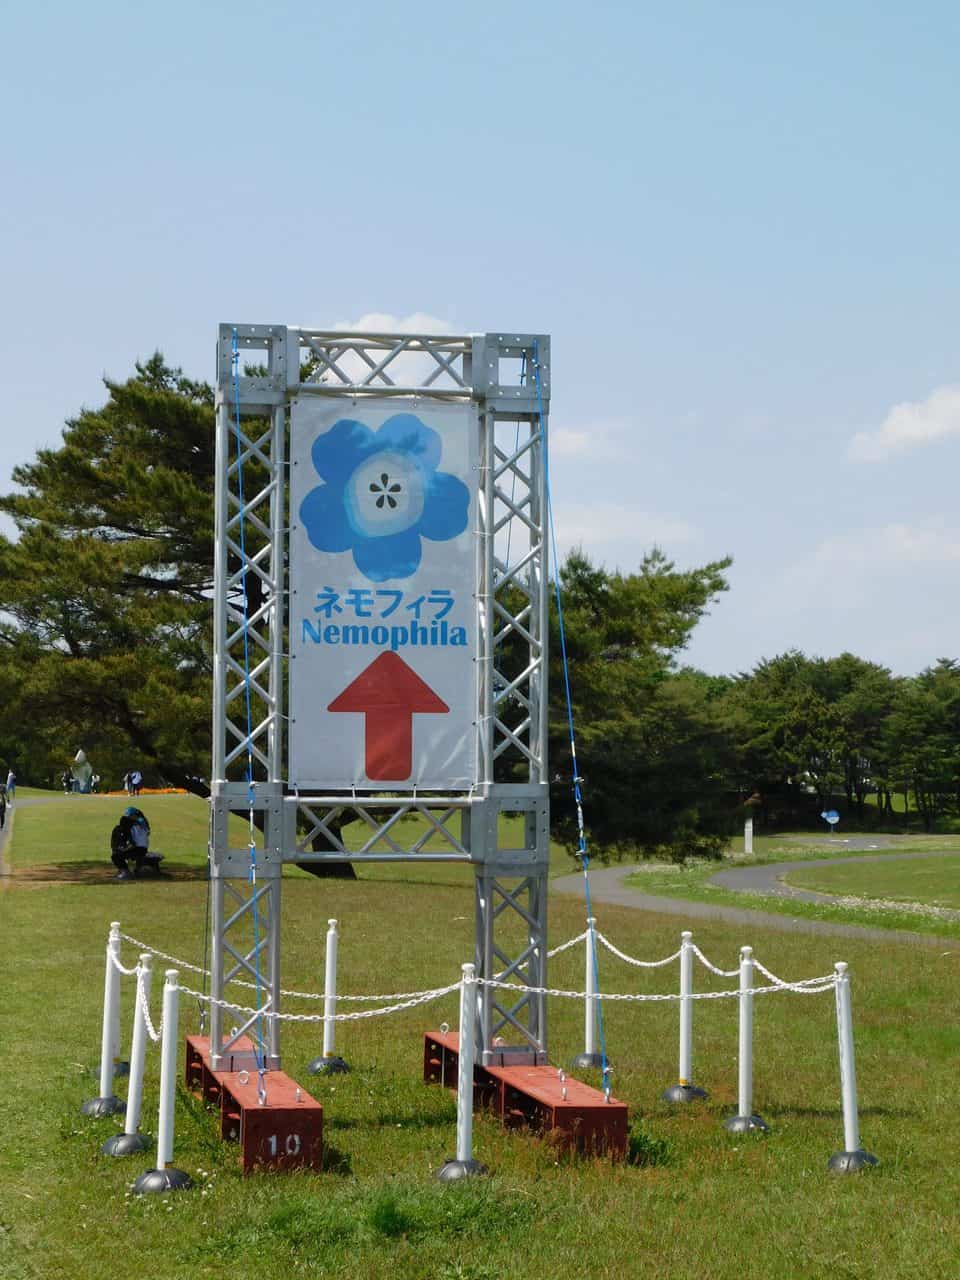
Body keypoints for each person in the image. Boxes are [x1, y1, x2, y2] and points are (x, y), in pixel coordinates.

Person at [110, 806, 160, 880]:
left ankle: (125, 873)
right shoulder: (143, 824)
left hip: (137, 849)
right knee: (126, 852)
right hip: (144, 849)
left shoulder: (128, 824)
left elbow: (132, 844)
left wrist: (122, 849)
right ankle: (135, 869)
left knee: (116, 856)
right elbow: (147, 833)